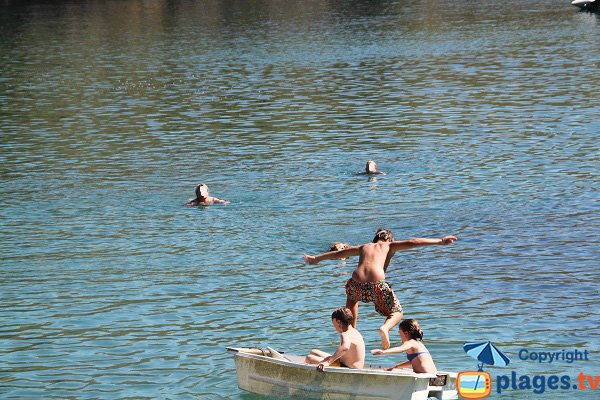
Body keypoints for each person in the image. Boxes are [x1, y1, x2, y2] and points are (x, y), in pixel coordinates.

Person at [304, 229, 457, 350]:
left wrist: (316, 258)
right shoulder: (389, 245)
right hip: (376, 284)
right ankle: (385, 328)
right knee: (397, 312)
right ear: (390, 239)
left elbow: (339, 253)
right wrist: (440, 241)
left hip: (356, 283)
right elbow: (413, 242)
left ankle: (351, 336)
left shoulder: (363, 247)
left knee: (350, 305)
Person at [371, 319, 437, 373]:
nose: (399, 334)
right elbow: (415, 361)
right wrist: (396, 367)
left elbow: (400, 349)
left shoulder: (411, 342)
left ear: (406, 333)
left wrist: (383, 352)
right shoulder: (419, 343)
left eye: (399, 332)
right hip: (433, 374)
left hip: (425, 375)